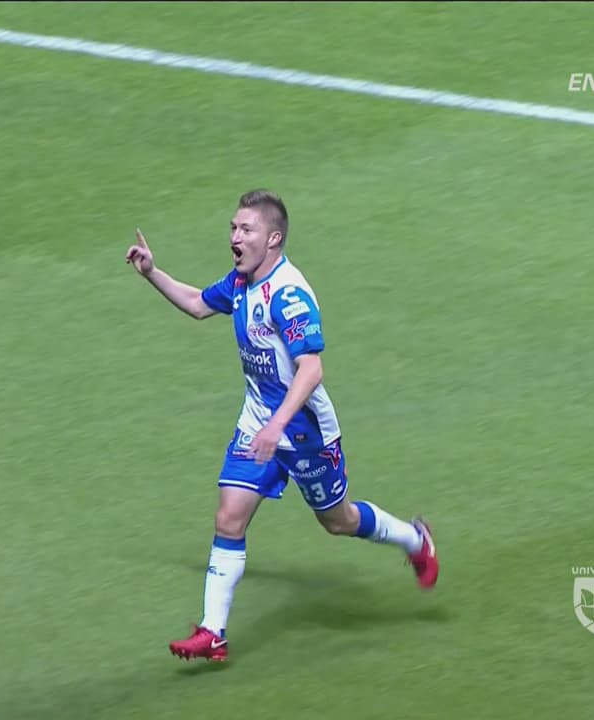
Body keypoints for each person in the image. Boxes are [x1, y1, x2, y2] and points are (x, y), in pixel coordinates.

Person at [124, 189, 439, 663]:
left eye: (245, 229)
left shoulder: (288, 296)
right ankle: (213, 633)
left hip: (305, 432)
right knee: (228, 518)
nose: (235, 237)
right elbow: (196, 303)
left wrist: (278, 426)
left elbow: (311, 369)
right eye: (233, 228)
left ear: (273, 239)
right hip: (259, 422)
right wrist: (152, 272)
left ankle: (415, 540)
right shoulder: (240, 282)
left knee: (339, 521)